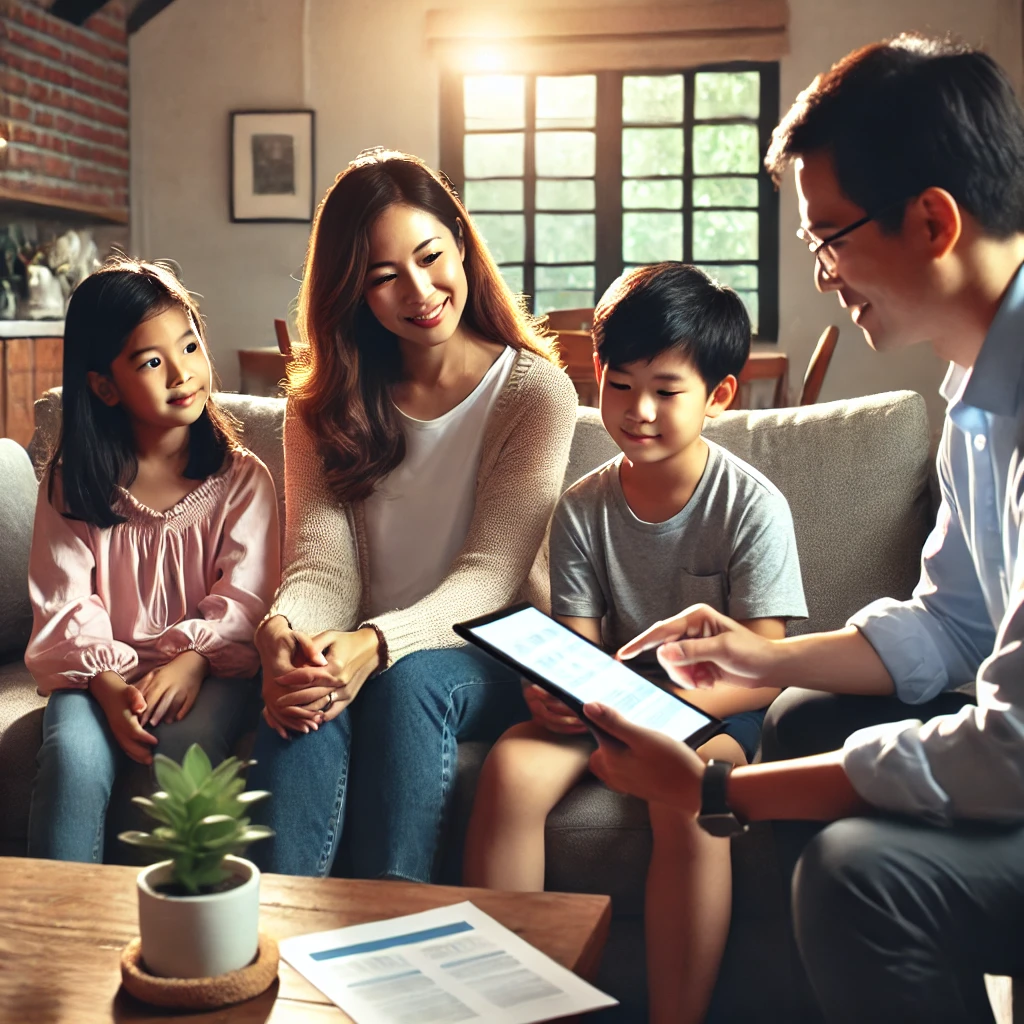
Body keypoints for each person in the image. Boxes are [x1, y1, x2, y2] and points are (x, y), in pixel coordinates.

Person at [581, 34, 1024, 1024]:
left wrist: (718, 791)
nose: (820, 273)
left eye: (827, 235)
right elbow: (948, 624)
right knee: (798, 716)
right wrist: (759, 659)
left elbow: (1011, 749)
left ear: (931, 221)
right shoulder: (975, 396)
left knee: (855, 871)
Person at [464, 262, 807, 1024]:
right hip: (612, 701)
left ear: (720, 395)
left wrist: (668, 708)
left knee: (686, 797)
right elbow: (578, 643)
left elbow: (764, 665)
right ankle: (513, 1008)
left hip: (711, 713)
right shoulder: (583, 508)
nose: (638, 410)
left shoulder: (751, 504)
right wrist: (553, 691)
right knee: (513, 766)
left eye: (665, 390)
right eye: (619, 385)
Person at [248, 149, 578, 880]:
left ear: (461, 241)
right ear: (354, 293)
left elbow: (493, 574)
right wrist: (285, 633)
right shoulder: (318, 408)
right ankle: (266, 942)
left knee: (406, 682)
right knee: (303, 692)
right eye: (384, 276)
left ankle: (392, 935)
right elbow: (320, 567)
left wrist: (378, 644)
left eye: (431, 257)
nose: (420, 290)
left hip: (487, 651)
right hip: (362, 643)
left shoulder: (534, 393)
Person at [26, 257, 280, 863]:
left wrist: (192, 662)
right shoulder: (73, 485)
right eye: (151, 361)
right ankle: (57, 934)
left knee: (187, 750)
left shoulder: (243, 480)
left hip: (207, 669)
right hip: (96, 676)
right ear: (104, 386)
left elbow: (247, 599)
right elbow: (64, 604)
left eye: (189, 346)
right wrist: (110, 687)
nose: (183, 373)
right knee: (71, 758)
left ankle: (185, 928)